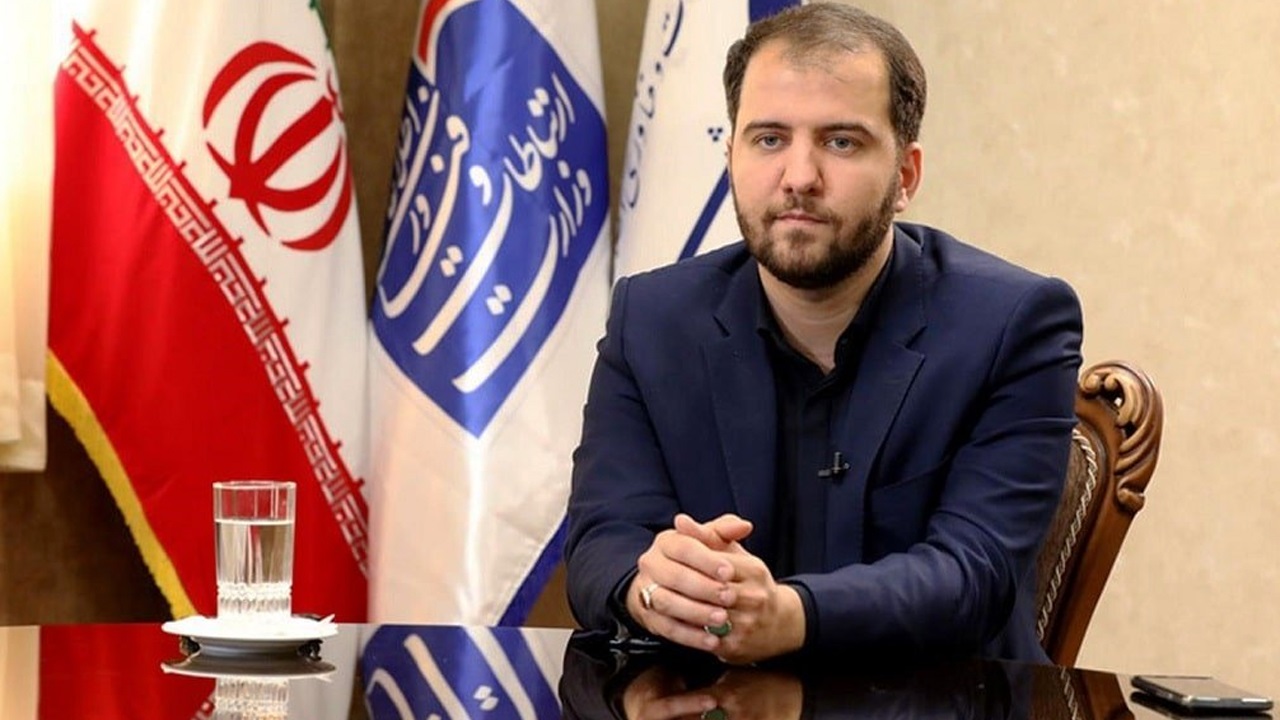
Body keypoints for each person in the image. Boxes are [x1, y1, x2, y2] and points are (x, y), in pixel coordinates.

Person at [565, 2, 1082, 666]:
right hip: (707, 701)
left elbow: (973, 574)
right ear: (731, 157)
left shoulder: (1014, 324)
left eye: (841, 142)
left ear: (905, 176)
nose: (799, 178)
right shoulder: (652, 318)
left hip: (942, 699)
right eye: (769, 139)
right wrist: (653, 587)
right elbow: (602, 540)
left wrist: (791, 615)